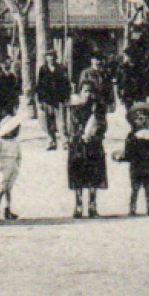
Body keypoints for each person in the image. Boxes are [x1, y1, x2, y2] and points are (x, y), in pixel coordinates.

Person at [116, 101, 149, 216]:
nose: (141, 121)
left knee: (148, 186)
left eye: (144, 119)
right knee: (135, 186)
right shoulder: (132, 135)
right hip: (137, 164)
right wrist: (124, 156)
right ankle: (133, 207)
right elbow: (128, 150)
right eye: (138, 119)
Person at [66, 90, 108, 218]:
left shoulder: (99, 111)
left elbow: (103, 126)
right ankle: (78, 205)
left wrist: (95, 134)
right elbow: (69, 128)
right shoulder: (74, 111)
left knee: (94, 176)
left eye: (91, 92)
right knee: (78, 176)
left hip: (94, 146)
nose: (88, 95)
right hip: (78, 146)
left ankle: (92, 204)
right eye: (85, 91)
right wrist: (78, 136)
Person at [0, 115, 23, 221]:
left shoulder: (14, 143)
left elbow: (19, 156)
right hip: (2, 167)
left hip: (12, 167)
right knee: (1, 188)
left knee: (9, 188)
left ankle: (7, 209)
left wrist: (17, 166)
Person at [36, 52, 72, 150]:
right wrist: (40, 100)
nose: (50, 59)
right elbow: (40, 85)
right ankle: (51, 141)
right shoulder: (43, 69)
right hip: (47, 99)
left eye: (52, 56)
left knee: (62, 122)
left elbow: (66, 84)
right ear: (46, 58)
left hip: (59, 99)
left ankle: (65, 142)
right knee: (48, 122)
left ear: (55, 57)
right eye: (48, 57)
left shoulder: (62, 68)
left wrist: (67, 98)